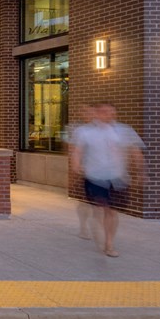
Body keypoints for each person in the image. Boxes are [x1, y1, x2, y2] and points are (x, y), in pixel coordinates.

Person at [69, 103, 145, 258]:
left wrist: (141, 171)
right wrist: (76, 165)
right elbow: (77, 151)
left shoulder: (124, 131)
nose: (107, 114)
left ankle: (109, 243)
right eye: (103, 111)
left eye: (111, 112)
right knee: (99, 210)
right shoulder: (84, 132)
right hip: (94, 177)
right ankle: (99, 231)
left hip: (117, 178)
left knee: (111, 211)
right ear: (96, 113)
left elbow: (135, 151)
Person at [65, 103, 97, 240]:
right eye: (84, 111)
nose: (87, 114)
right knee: (84, 200)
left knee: (99, 203)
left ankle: (98, 229)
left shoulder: (102, 128)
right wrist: (74, 170)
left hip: (100, 170)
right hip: (82, 169)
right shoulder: (74, 128)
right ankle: (84, 227)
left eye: (90, 111)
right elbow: (70, 149)